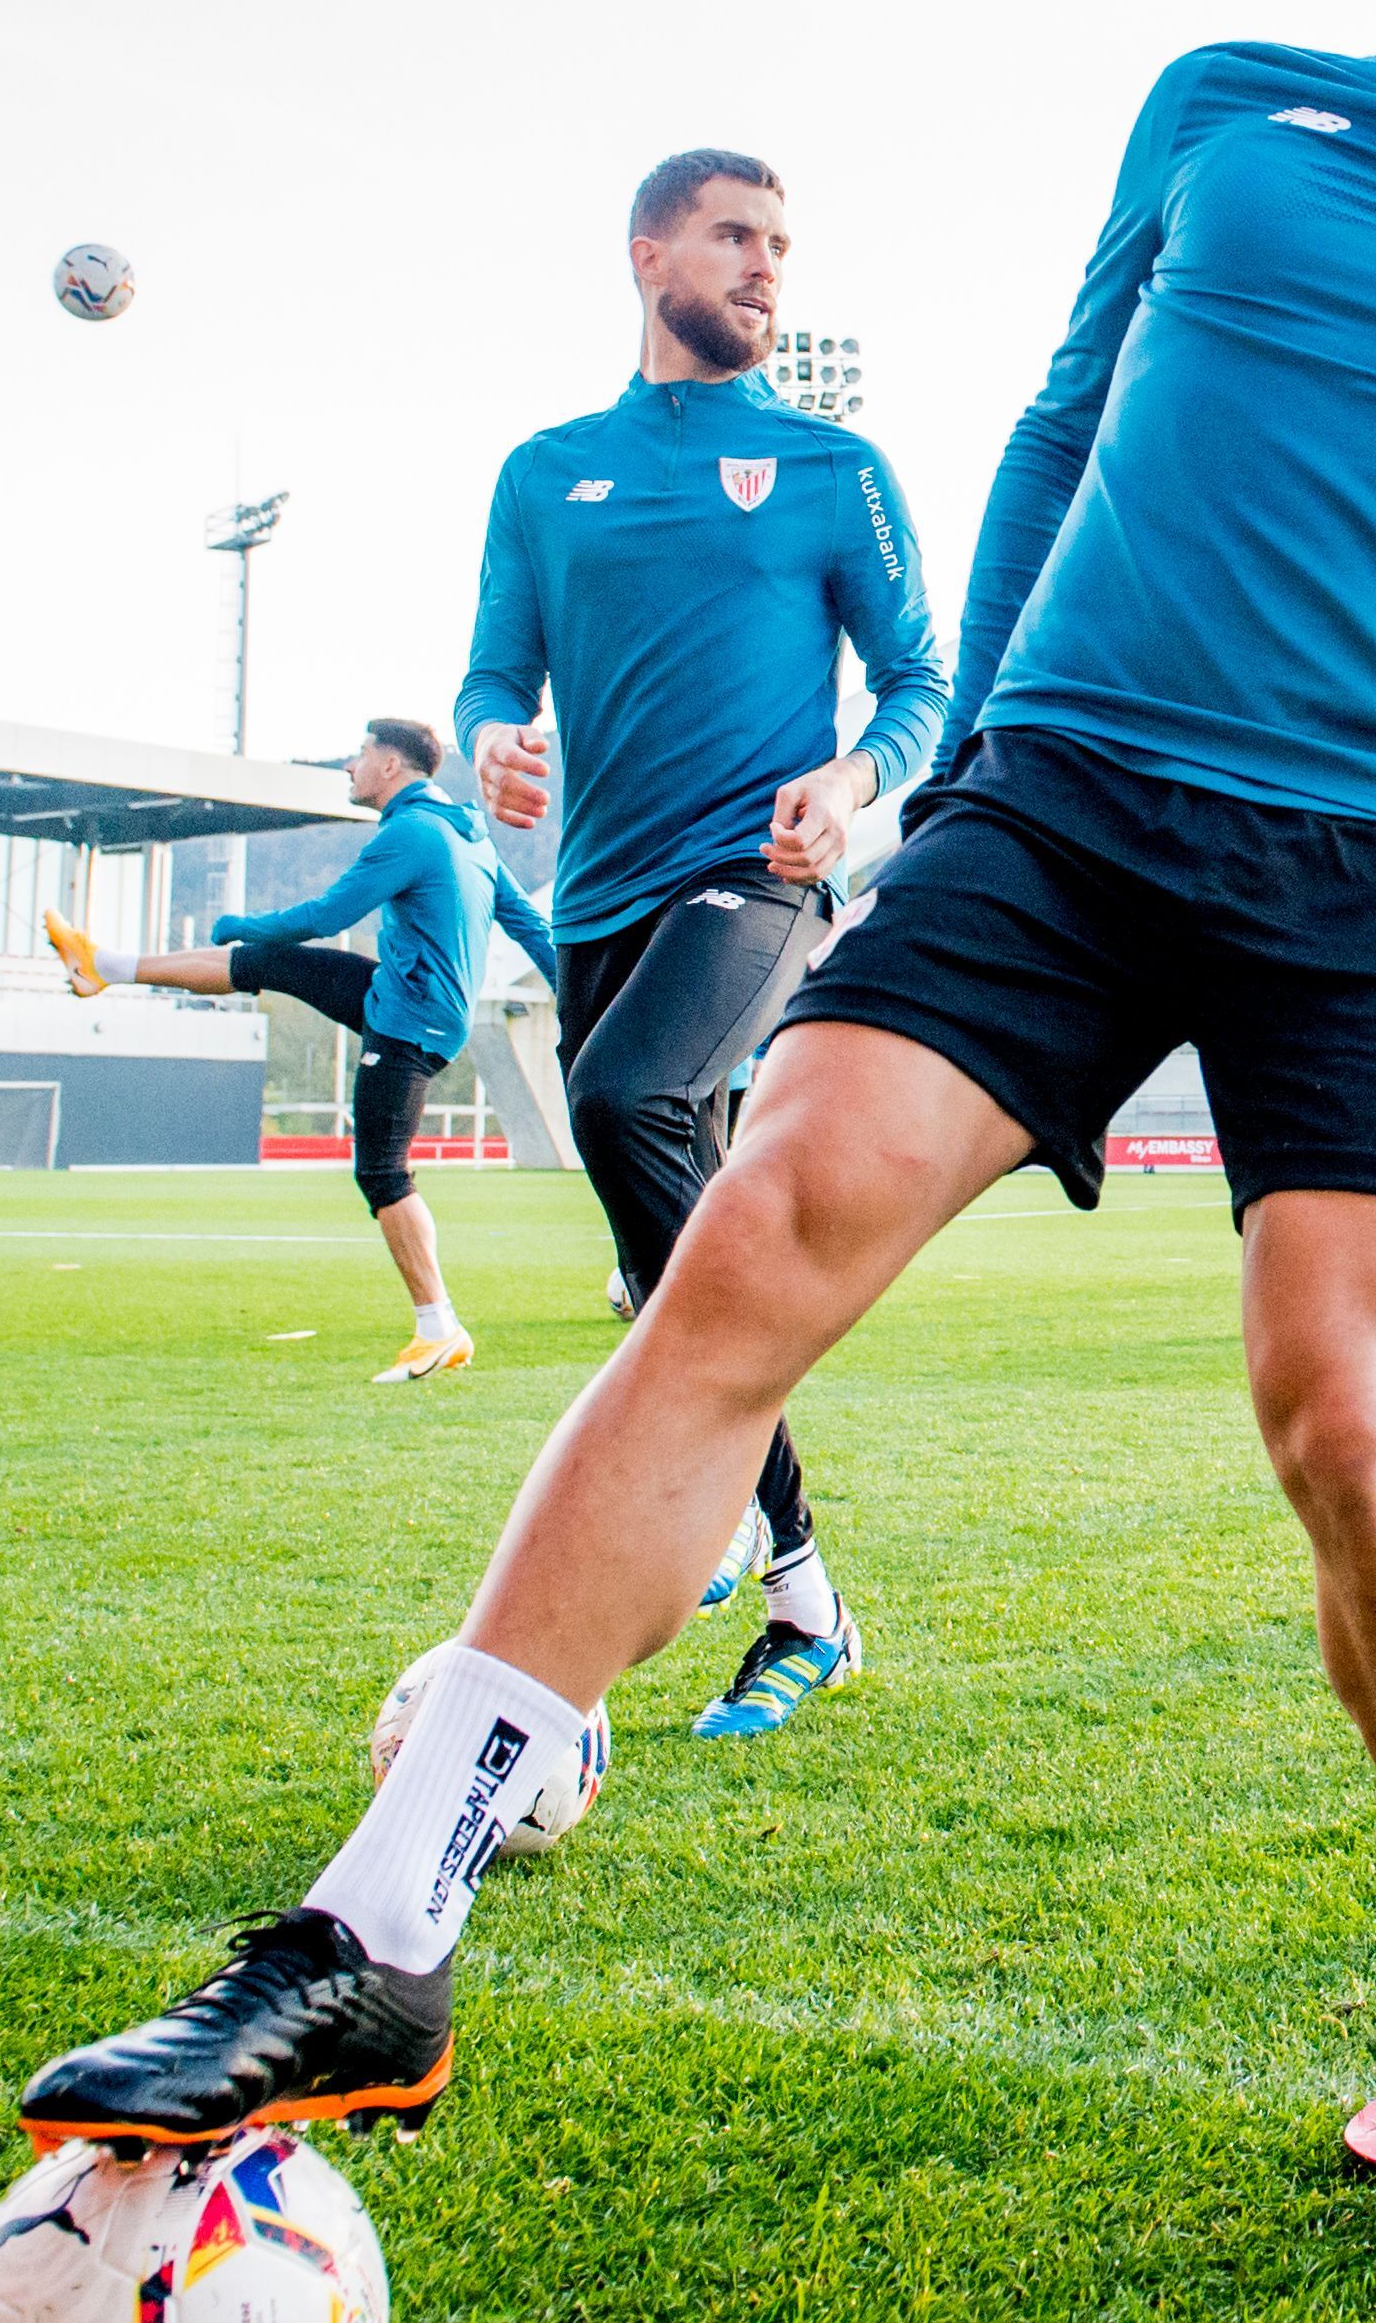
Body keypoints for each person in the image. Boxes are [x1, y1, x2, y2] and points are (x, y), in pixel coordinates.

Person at [15, 0, 1376, 2270]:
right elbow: (1058, 427)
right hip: (1058, 800)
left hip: (1367, 859)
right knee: (748, 1240)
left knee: (1346, 1420)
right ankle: (373, 1922)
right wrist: (962, 756)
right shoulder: (1224, 108)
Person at [432, 145, 946, 1741]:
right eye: (734, 235)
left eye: (780, 243)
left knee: (624, 1105)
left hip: (758, 879)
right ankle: (803, 1596)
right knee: (690, 1265)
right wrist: (495, 740)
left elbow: (926, 681)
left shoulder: (830, 466)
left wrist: (853, 782)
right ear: (648, 252)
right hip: (597, 904)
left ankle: (733, 1513)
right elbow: (486, 679)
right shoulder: (544, 470)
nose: (766, 266)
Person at [42, 720, 553, 1382]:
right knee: (269, 964)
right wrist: (580, 996)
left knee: (381, 1173)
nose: (349, 766)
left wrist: (238, 924)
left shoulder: (412, 833)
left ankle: (440, 1327)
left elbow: (326, 914)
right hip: (398, 996)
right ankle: (104, 964)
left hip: (411, 1020)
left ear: (391, 766)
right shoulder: (463, 834)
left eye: (360, 754)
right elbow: (528, 924)